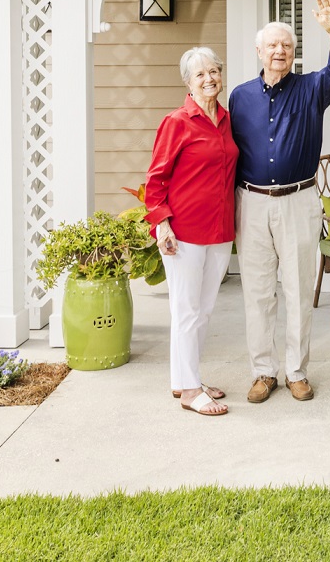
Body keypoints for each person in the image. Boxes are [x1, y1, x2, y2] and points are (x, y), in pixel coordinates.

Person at [229, 0, 330, 403]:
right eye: (272, 45)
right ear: (259, 52)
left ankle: (296, 371)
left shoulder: (312, 89)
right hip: (251, 202)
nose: (279, 51)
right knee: (258, 291)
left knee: (298, 289)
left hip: (299, 200)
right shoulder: (239, 97)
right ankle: (264, 372)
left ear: (294, 53)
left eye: (286, 46)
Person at [144, 47, 239, 417]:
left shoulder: (228, 120)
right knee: (186, 310)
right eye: (199, 74)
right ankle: (190, 390)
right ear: (188, 82)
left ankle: (185, 378)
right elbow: (155, 179)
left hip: (219, 229)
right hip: (183, 231)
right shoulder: (177, 121)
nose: (209, 79)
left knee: (204, 309)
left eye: (213, 71)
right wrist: (161, 223)